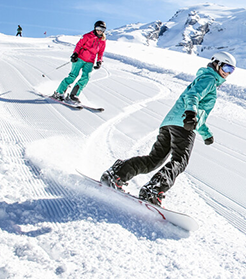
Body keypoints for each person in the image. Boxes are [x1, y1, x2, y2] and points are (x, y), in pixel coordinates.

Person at [100, 51, 236, 206]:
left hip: (170, 123)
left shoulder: (205, 78)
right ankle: (154, 189)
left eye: (231, 70)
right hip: (183, 124)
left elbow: (200, 113)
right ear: (217, 63)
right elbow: (193, 96)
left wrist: (205, 133)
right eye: (226, 67)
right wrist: (191, 113)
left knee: (154, 160)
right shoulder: (209, 79)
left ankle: (118, 174)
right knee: (180, 160)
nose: (227, 73)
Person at [51, 20, 106, 104]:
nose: (100, 31)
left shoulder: (102, 41)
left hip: (90, 61)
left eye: (102, 29)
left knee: (86, 78)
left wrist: (99, 61)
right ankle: (59, 92)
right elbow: (79, 45)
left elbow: (101, 52)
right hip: (80, 58)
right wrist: (75, 54)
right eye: (98, 28)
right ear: (95, 28)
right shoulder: (87, 36)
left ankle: (73, 95)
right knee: (73, 75)